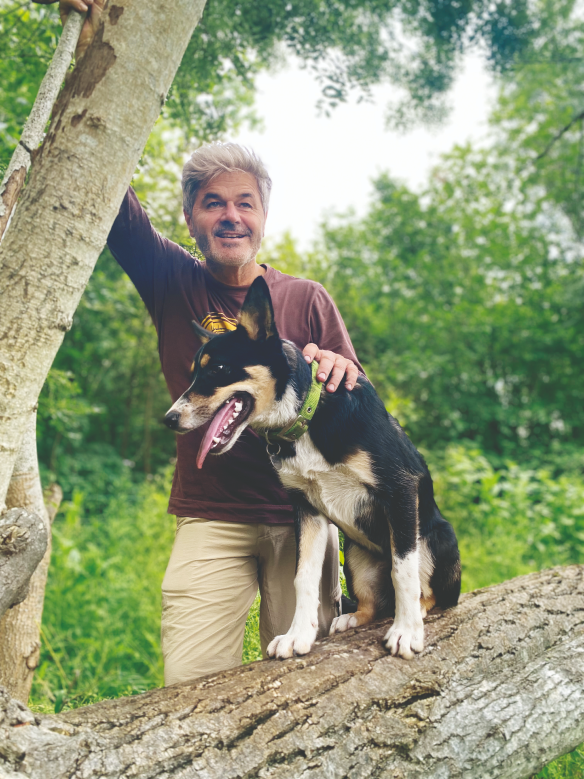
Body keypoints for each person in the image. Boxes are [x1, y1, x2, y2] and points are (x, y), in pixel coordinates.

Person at [35, 0, 363, 684]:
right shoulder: (170, 279)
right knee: (190, 689)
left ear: (264, 215)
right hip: (210, 516)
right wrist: (83, 46)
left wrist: (340, 369)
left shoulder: (305, 299)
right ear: (190, 218)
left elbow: (354, 405)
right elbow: (101, 173)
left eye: (245, 201)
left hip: (303, 518)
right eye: (212, 202)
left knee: (306, 691)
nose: (230, 215)